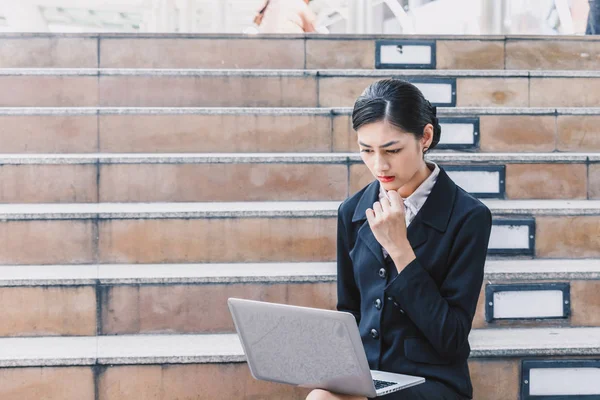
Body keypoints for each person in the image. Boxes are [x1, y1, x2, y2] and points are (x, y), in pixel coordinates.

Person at [307, 79, 492, 400]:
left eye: (392, 150)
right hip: (367, 374)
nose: (379, 165)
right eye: (366, 150)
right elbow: (349, 311)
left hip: (430, 378)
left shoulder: (467, 216)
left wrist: (399, 248)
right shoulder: (352, 210)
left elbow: (452, 337)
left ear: (426, 137)